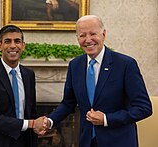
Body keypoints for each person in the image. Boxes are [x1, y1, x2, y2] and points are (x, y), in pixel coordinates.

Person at [39, 15, 153, 147]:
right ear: (77, 38)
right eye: (82, 35)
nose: (88, 40)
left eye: (93, 34)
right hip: (87, 141)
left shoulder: (125, 64)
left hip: (119, 141)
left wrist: (106, 119)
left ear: (103, 34)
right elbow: (68, 103)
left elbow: (143, 108)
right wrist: (50, 120)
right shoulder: (75, 65)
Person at [0, 25, 47, 147]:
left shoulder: (29, 74)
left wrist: (39, 127)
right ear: (0, 46)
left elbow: (31, 111)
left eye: (17, 41)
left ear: (23, 45)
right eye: (7, 41)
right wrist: (32, 124)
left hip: (24, 140)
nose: (12, 46)